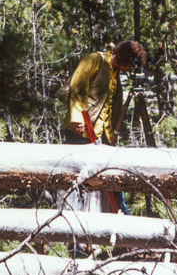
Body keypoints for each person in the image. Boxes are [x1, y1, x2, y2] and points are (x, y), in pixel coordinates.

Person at [61, 40, 146, 213]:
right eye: (130, 64)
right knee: (77, 181)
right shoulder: (93, 59)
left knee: (102, 182)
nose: (130, 69)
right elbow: (77, 88)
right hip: (81, 132)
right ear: (125, 58)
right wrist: (77, 119)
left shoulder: (114, 72)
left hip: (102, 136)